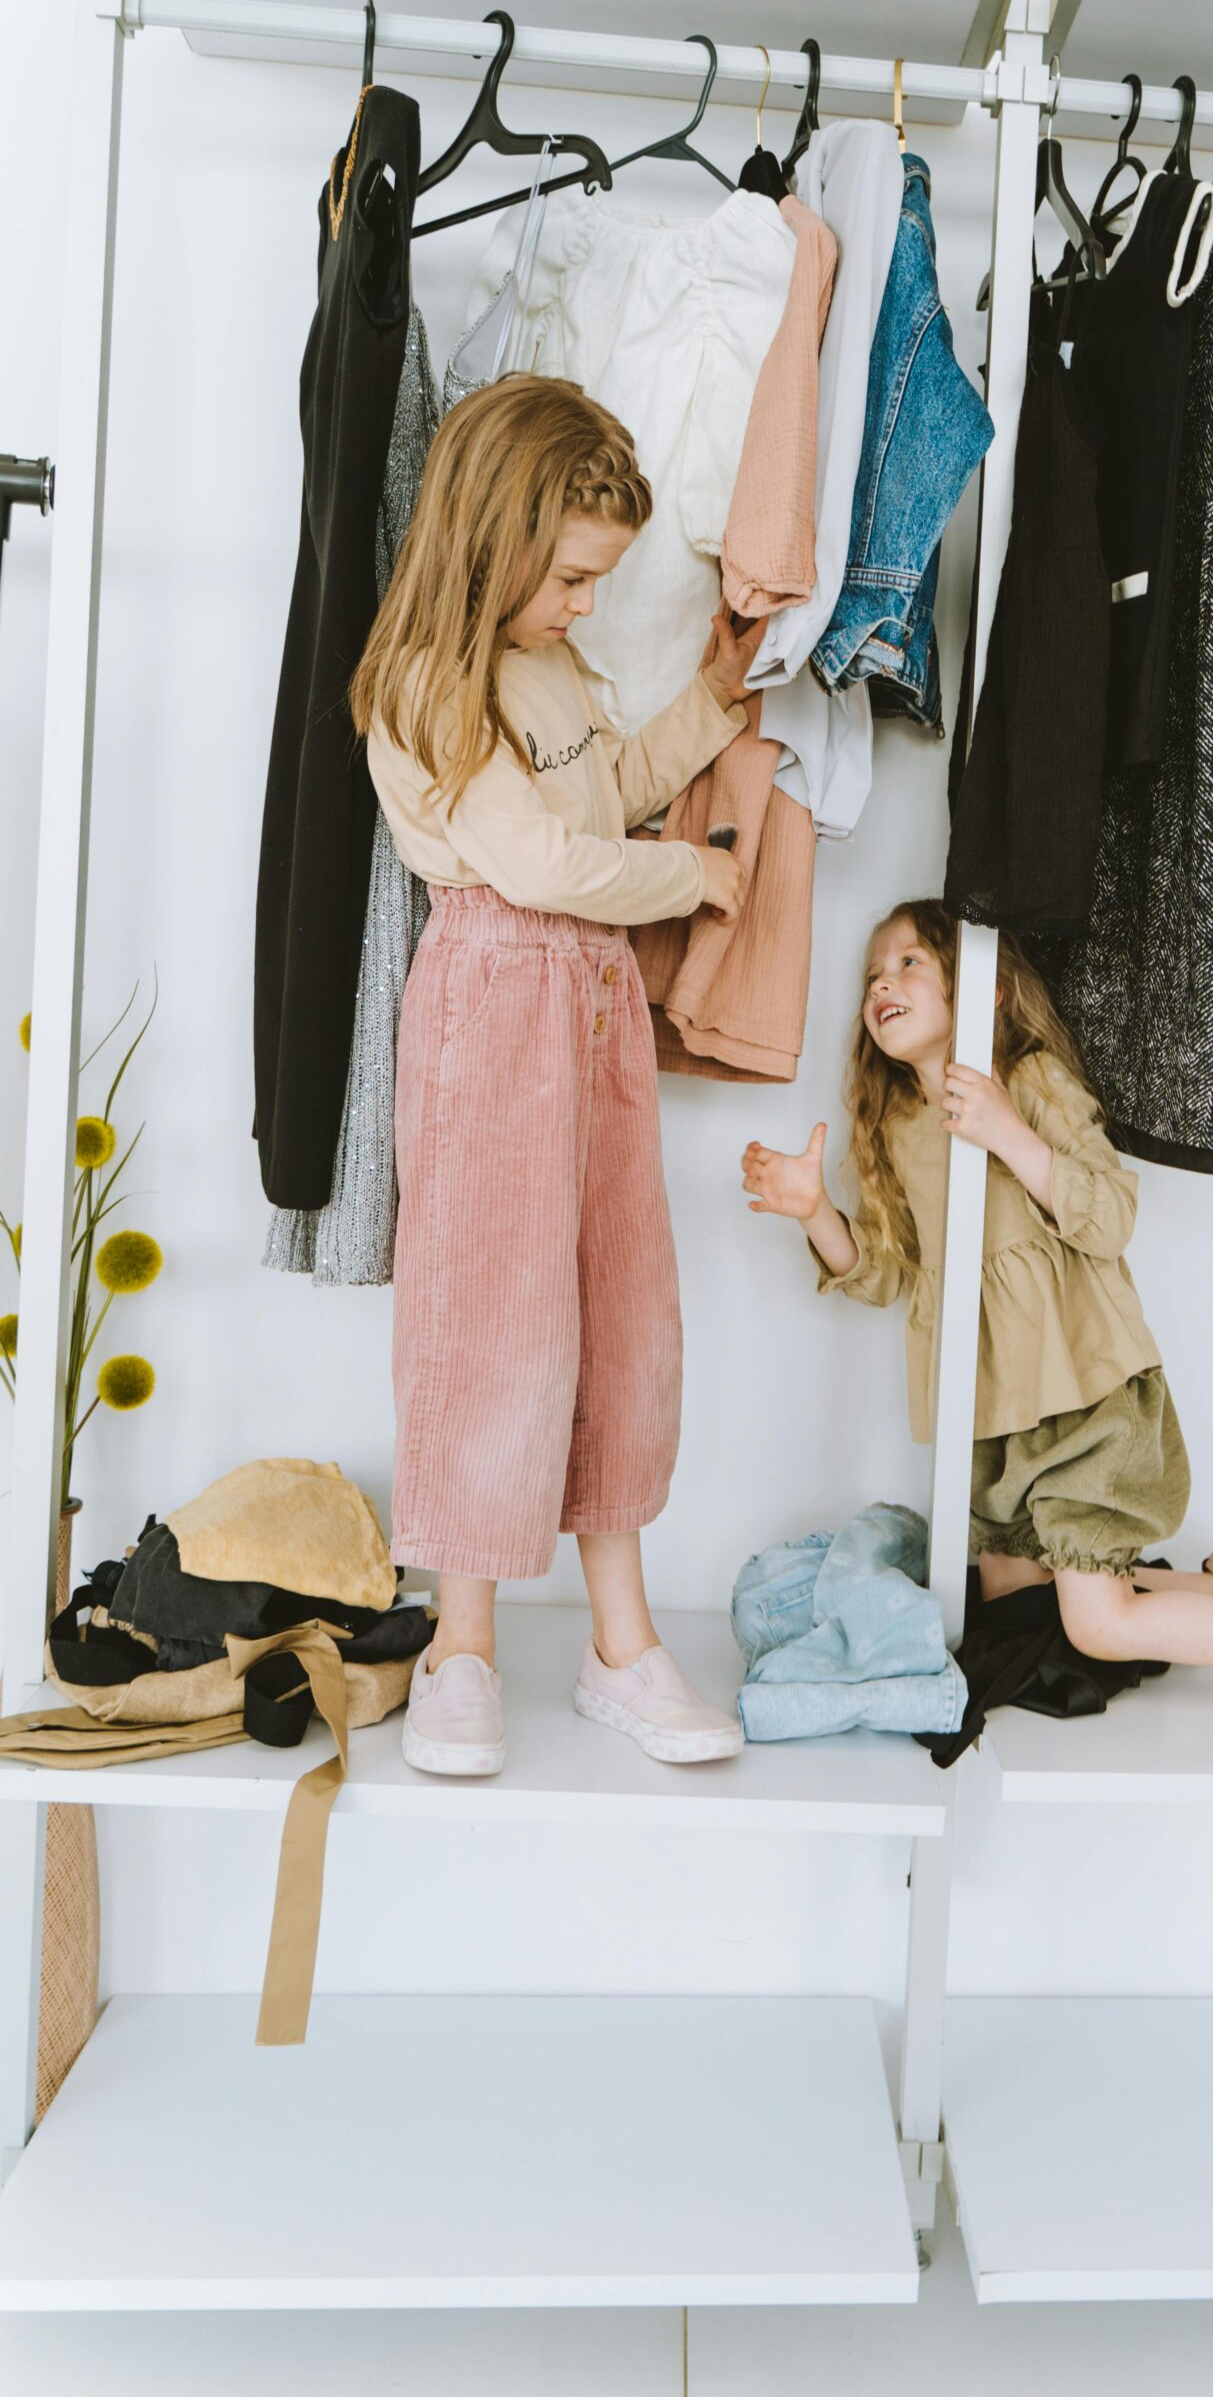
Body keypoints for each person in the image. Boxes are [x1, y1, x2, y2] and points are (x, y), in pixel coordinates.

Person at [742, 899, 1213, 1716]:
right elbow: (884, 1278)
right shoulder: (891, 1128)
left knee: (1095, 1630)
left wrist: (1007, 1132)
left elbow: (1110, 1216)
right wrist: (811, 1209)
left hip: (1078, 1395)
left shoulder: (1026, 1081)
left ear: (979, 987)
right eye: (873, 975)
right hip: (986, 1426)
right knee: (1018, 1621)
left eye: (909, 961)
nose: (884, 982)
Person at [352, 374, 757, 1775]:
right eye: (575, 578)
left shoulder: (555, 672)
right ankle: (463, 1643)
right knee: (494, 1316)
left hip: (586, 1004)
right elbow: (538, 864)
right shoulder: (425, 685)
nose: (586, 605)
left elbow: (603, 795)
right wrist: (689, 877)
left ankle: (619, 1643)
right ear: (498, 537)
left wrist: (706, 704)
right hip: (497, 1002)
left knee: (621, 1310)